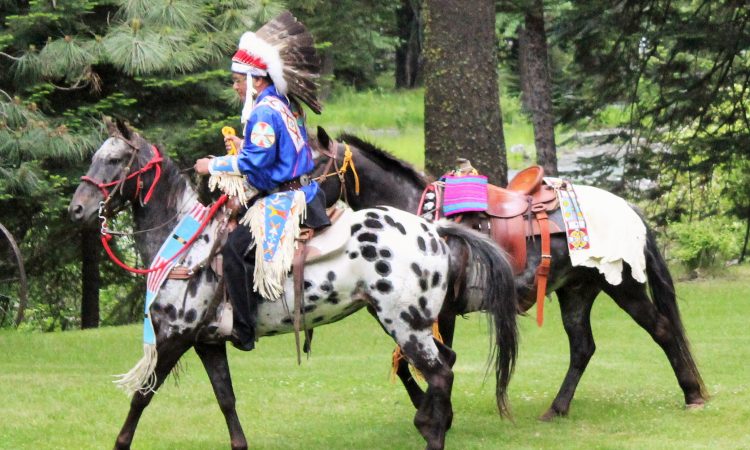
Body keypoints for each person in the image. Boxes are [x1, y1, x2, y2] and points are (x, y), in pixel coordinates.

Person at [194, 12, 327, 351]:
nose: (235, 87)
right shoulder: (281, 104)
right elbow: (268, 153)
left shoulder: (263, 113)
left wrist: (213, 165)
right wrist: (243, 147)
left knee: (233, 249)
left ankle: (244, 328)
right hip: (301, 188)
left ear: (257, 80)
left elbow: (255, 164)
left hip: (284, 199)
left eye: (239, 80)